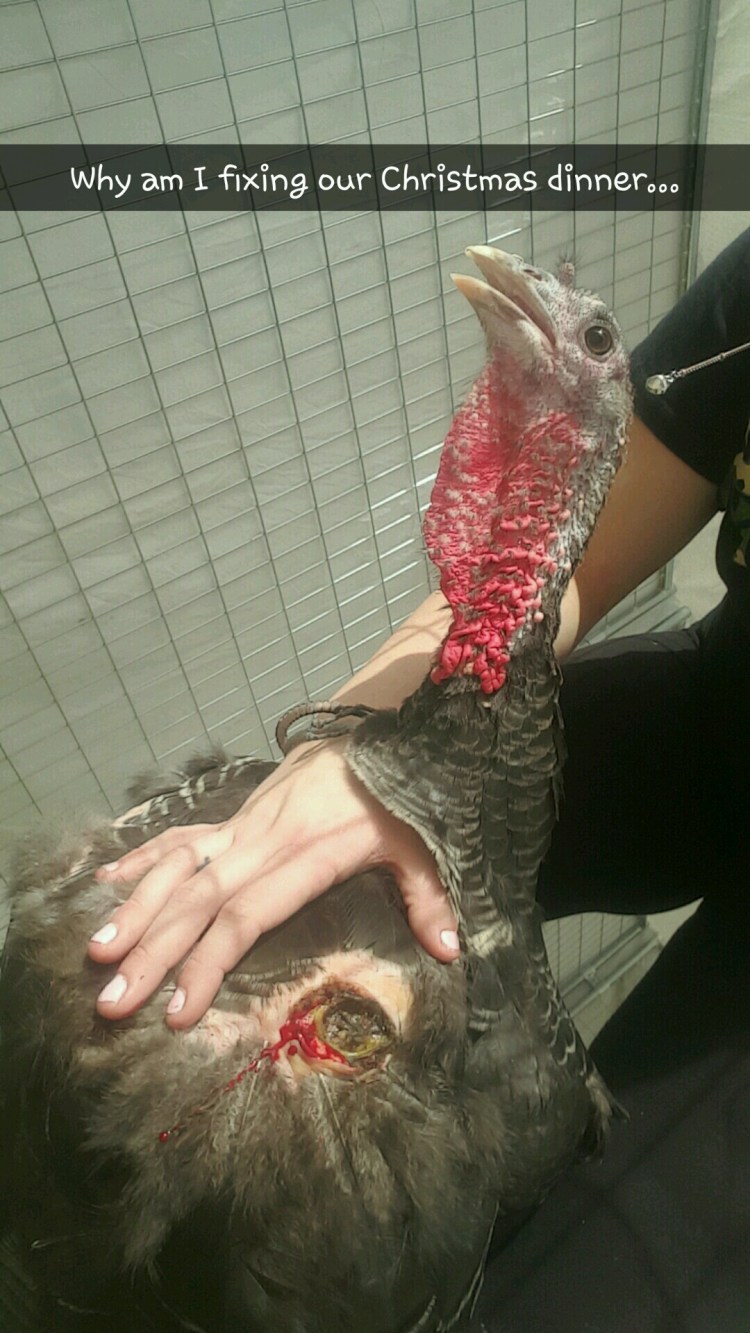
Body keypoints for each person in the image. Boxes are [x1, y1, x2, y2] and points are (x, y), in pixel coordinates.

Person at [90, 227, 750, 1329]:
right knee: (306, 890)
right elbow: (553, 562)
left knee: (584, 1275)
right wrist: (365, 752)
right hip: (722, 720)